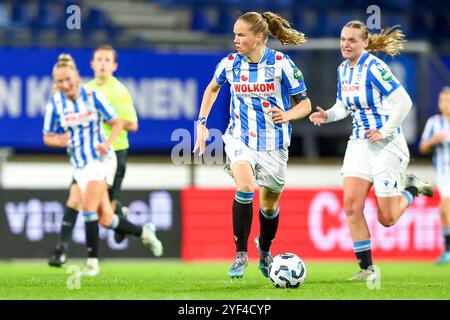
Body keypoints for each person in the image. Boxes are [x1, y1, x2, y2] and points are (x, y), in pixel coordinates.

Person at [309, 20, 434, 281]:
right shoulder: (343, 69)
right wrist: (327, 115)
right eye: (343, 39)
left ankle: (412, 188)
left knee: (386, 218)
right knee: (351, 207)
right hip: (359, 143)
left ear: (365, 43)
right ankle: (367, 270)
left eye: (352, 40)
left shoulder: (375, 68)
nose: (346, 44)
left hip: (386, 144)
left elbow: (403, 101)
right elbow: (343, 106)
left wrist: (385, 131)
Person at [193, 11, 311, 278]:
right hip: (239, 139)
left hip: (274, 145)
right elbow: (212, 88)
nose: (235, 39)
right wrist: (201, 122)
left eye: (241, 34)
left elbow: (305, 104)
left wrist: (287, 115)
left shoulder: (282, 64)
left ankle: (266, 250)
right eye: (234, 34)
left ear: (258, 37)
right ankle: (240, 255)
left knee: (268, 207)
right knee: (245, 186)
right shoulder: (230, 64)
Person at [43, 54, 162, 276]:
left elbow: (118, 122)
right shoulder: (55, 105)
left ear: (76, 76)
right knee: (106, 218)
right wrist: (60, 140)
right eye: (60, 81)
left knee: (87, 207)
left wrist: (107, 143)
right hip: (79, 165)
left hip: (102, 161)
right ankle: (144, 232)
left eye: (68, 79)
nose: (65, 84)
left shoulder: (93, 96)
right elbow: (48, 136)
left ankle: (91, 264)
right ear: (55, 83)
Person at [419, 87, 450, 265]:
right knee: (444, 210)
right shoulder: (434, 122)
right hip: (444, 173)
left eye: (447, 101)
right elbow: (422, 147)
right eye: (441, 101)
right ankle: (447, 250)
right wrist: (433, 140)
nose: (444, 105)